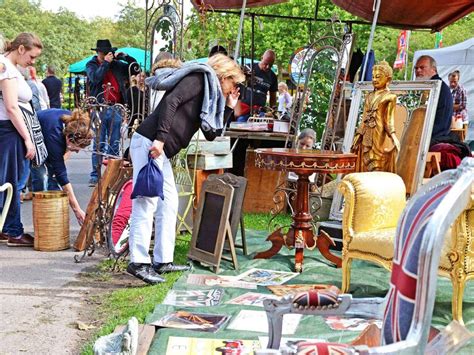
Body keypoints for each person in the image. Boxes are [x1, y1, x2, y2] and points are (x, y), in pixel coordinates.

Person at [127, 54, 245, 284]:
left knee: (169, 203)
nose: (234, 88)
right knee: (146, 202)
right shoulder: (199, 79)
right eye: (234, 83)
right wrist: (160, 139)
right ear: (224, 76)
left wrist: (229, 108)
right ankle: (138, 262)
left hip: (161, 151)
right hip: (150, 143)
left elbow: (211, 133)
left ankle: (162, 260)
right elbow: (171, 102)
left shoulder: (210, 93)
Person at [0, 32, 42, 247]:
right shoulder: (6, 67)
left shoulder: (9, 67)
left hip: (10, 129)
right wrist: (27, 139)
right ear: (21, 49)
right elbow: (11, 107)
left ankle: (6, 226)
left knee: (10, 182)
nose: (32, 62)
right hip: (10, 131)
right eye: (32, 57)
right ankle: (13, 231)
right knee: (13, 182)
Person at [86, 39, 139, 186]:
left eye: (109, 53)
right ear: (98, 53)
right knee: (98, 143)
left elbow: (135, 69)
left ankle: (112, 175)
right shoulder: (92, 65)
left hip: (116, 107)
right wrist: (105, 63)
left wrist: (125, 57)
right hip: (99, 107)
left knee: (114, 143)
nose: (107, 55)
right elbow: (95, 79)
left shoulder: (117, 65)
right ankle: (95, 175)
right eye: (104, 53)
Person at [30, 109, 93, 224]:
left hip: (47, 136)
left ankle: (54, 219)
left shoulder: (73, 124)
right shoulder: (55, 136)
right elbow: (62, 176)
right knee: (40, 178)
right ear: (69, 139)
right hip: (32, 139)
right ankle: (43, 220)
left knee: (54, 177)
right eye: (75, 149)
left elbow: (63, 155)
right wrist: (77, 210)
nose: (77, 153)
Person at [351, 61, 400, 173]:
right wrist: (358, 134)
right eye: (373, 77)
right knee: (364, 161)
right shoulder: (369, 96)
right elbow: (364, 117)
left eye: (378, 77)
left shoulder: (390, 97)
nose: (374, 79)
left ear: (388, 79)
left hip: (379, 134)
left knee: (377, 162)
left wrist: (394, 137)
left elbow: (388, 120)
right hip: (366, 134)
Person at [414, 55, 453, 140]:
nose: (418, 70)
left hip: (434, 139)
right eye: (416, 68)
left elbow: (440, 124)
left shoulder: (438, 88)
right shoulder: (428, 87)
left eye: (422, 67)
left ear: (433, 69)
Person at [234, 49, 278, 122]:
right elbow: (235, 83)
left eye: (270, 65)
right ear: (261, 58)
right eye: (266, 63)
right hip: (243, 110)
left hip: (259, 111)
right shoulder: (248, 68)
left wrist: (273, 112)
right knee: (241, 122)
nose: (267, 67)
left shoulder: (272, 76)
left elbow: (273, 98)